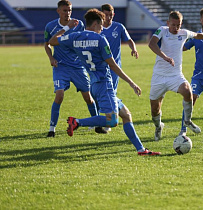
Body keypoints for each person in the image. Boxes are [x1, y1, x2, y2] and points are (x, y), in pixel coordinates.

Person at [49, 8, 160, 156]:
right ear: (95, 24)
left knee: (126, 115)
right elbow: (113, 65)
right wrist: (131, 83)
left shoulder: (74, 37)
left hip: (93, 84)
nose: (102, 29)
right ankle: (77, 122)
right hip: (104, 84)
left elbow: (52, 41)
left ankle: (141, 150)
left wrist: (67, 28)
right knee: (112, 121)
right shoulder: (100, 39)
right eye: (101, 26)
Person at [148, 11, 203, 141]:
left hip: (175, 75)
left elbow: (198, 35)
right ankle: (158, 126)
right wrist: (165, 57)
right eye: (173, 25)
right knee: (155, 109)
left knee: (188, 91)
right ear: (168, 23)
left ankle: (187, 121)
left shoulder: (183, 33)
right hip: (159, 76)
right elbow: (151, 44)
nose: (176, 28)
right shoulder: (162, 30)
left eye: (178, 25)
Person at [44, 0, 105, 137]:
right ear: (58, 11)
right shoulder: (51, 26)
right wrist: (51, 58)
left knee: (88, 98)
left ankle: (97, 125)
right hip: (61, 67)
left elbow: (85, 40)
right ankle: (51, 129)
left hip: (78, 66)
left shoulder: (79, 25)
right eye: (65, 10)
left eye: (70, 10)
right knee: (59, 95)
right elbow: (48, 44)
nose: (68, 13)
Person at [100, 3, 139, 132]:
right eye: (106, 15)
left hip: (115, 67)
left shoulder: (118, 27)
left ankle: (106, 122)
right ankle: (101, 119)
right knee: (100, 93)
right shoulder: (98, 29)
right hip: (100, 66)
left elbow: (129, 39)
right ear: (102, 15)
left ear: (113, 14)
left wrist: (133, 48)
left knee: (111, 92)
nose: (109, 17)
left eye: (111, 15)